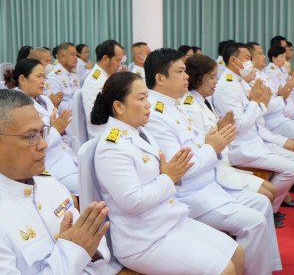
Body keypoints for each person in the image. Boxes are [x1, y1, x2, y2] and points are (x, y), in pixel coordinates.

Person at [144, 48, 282, 274]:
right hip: (190, 194)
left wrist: (213, 142)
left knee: (262, 205)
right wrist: (212, 146)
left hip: (209, 181)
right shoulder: (157, 115)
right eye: (180, 71)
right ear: (160, 79)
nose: (187, 76)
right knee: (255, 221)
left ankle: (265, 268)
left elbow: (200, 146)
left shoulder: (174, 104)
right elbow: (181, 168)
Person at [92, 71, 244, 275]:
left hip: (168, 220)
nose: (148, 104)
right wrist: (169, 177)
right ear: (118, 106)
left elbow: (164, 174)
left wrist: (171, 174)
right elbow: (133, 202)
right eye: (141, 98)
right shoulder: (111, 147)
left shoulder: (140, 132)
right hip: (143, 239)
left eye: (147, 97)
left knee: (238, 253)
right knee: (225, 270)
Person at [0, 89, 110, 274]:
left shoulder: (47, 182)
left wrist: (83, 249)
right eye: (31, 136)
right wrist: (74, 251)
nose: (44, 144)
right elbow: (81, 248)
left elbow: (99, 254)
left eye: (42, 132)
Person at [212, 43, 294, 224]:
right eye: (247, 58)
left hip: (255, 140)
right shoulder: (227, 86)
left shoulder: (240, 82)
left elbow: (258, 111)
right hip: (242, 147)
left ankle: (270, 208)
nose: (251, 62)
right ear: (233, 60)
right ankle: (269, 210)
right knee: (292, 168)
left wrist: (260, 103)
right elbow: (240, 124)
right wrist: (257, 103)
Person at [182, 54, 277, 202]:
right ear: (199, 78)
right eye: (212, 77)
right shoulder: (190, 107)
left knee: (271, 189)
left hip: (224, 163)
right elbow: (201, 146)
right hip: (214, 171)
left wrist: (222, 131)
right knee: (267, 195)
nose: (216, 81)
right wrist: (221, 135)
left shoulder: (203, 100)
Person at [247, 42, 294, 195]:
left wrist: (282, 95)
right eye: (260, 53)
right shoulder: (255, 78)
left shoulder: (262, 74)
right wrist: (281, 97)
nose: (263, 56)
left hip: (279, 114)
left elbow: (277, 96)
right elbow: (266, 106)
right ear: (251, 58)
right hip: (271, 120)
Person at [3, 58, 79, 197]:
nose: (43, 81)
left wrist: (60, 129)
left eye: (44, 77)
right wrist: (56, 130)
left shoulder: (45, 101)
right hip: (47, 165)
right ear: (22, 79)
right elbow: (30, 143)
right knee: (85, 187)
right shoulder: (17, 105)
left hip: (66, 157)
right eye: (38, 76)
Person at [82, 39, 123, 139]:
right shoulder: (95, 82)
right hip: (102, 135)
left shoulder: (105, 77)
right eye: (117, 60)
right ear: (105, 59)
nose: (119, 65)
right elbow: (95, 119)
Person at [45, 42, 80, 115]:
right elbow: (58, 106)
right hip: (66, 120)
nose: (76, 58)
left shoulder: (74, 74)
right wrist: (79, 103)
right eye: (72, 55)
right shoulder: (54, 76)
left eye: (76, 55)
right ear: (62, 57)